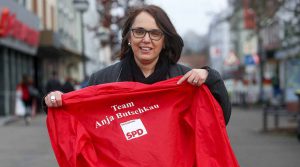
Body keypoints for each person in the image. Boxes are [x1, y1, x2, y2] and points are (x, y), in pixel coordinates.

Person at [44, 4, 231, 125]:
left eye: (155, 33)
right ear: (128, 37)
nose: (146, 40)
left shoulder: (185, 80)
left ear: (165, 40)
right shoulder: (102, 79)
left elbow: (217, 120)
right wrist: (57, 101)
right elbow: (78, 118)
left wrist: (210, 77)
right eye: (139, 31)